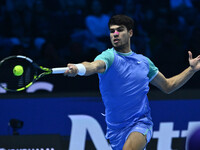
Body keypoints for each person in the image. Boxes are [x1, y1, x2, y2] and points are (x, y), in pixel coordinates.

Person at [64, 15, 200, 150]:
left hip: (140, 123)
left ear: (130, 32)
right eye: (112, 31)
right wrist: (79, 68)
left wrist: (191, 70)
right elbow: (93, 66)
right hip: (115, 130)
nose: (115, 34)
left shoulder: (144, 63)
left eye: (120, 30)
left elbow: (168, 86)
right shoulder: (108, 57)